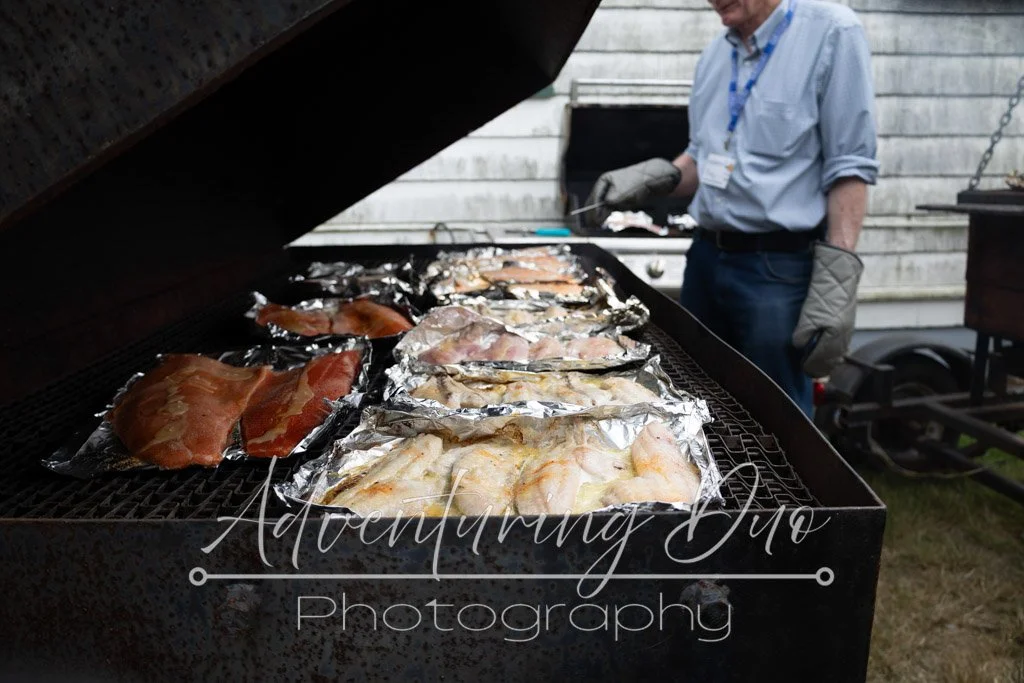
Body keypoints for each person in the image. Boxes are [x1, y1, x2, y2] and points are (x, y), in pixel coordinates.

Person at [585, 0, 879, 417]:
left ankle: (780, 486)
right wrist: (653, 177)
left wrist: (838, 280)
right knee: (696, 395)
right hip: (705, 257)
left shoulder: (832, 32)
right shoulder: (715, 56)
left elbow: (850, 166)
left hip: (777, 268)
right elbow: (703, 160)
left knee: (776, 414)